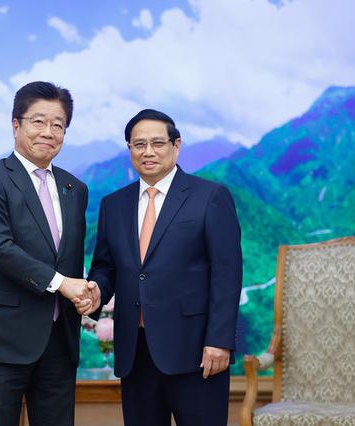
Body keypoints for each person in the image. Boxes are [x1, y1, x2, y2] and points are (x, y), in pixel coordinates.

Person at [87, 109, 243, 426]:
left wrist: (220, 340)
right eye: (138, 144)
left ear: (176, 145)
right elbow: (106, 268)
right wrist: (95, 293)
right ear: (129, 149)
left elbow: (227, 274)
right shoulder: (114, 205)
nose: (148, 152)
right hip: (136, 352)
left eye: (157, 143)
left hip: (197, 351)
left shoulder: (210, 197)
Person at [0, 81, 98, 426]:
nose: (48, 132)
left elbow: (69, 258)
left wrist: (85, 288)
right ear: (16, 124)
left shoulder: (75, 188)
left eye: (58, 124)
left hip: (59, 338)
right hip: (4, 337)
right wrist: (61, 284)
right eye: (38, 121)